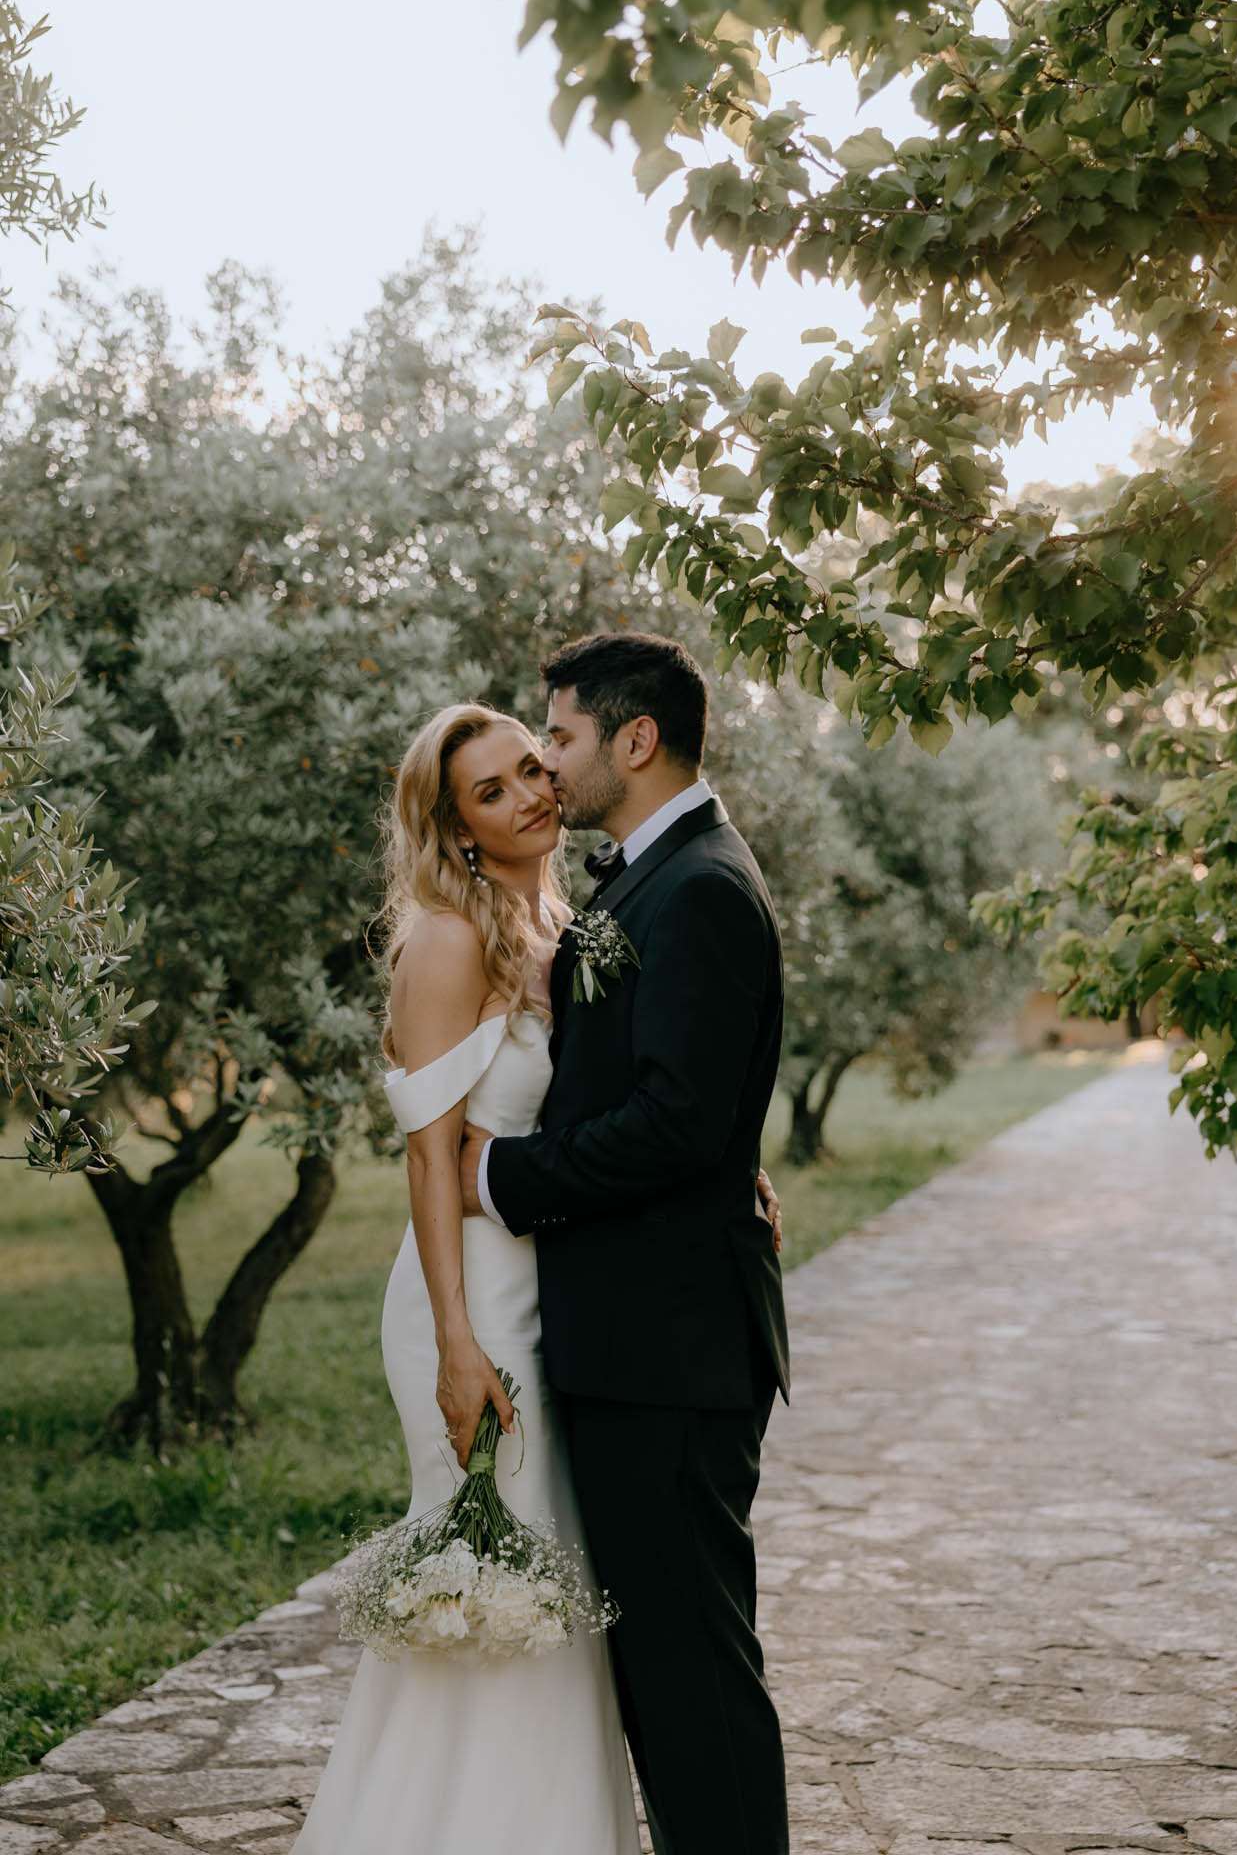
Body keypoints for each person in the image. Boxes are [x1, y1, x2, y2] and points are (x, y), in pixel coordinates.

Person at [295, 673, 785, 1855]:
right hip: (475, 1306)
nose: (534, 788)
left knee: (558, 1603)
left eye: (535, 759)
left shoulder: (569, 921)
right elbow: (429, 1163)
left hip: (563, 1296)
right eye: (496, 784)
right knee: (488, 1592)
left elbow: (648, 1088)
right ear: (454, 821)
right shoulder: (449, 935)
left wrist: (730, 1165)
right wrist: (457, 1346)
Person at [460, 631, 791, 1855]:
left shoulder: (697, 883)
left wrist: (495, 1173)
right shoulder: (655, 873)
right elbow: (685, 1098)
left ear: (634, 740)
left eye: (561, 734)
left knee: (695, 1677)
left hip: (671, 1352)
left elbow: (672, 1123)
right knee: (669, 1674)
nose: (549, 760)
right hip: (648, 1340)